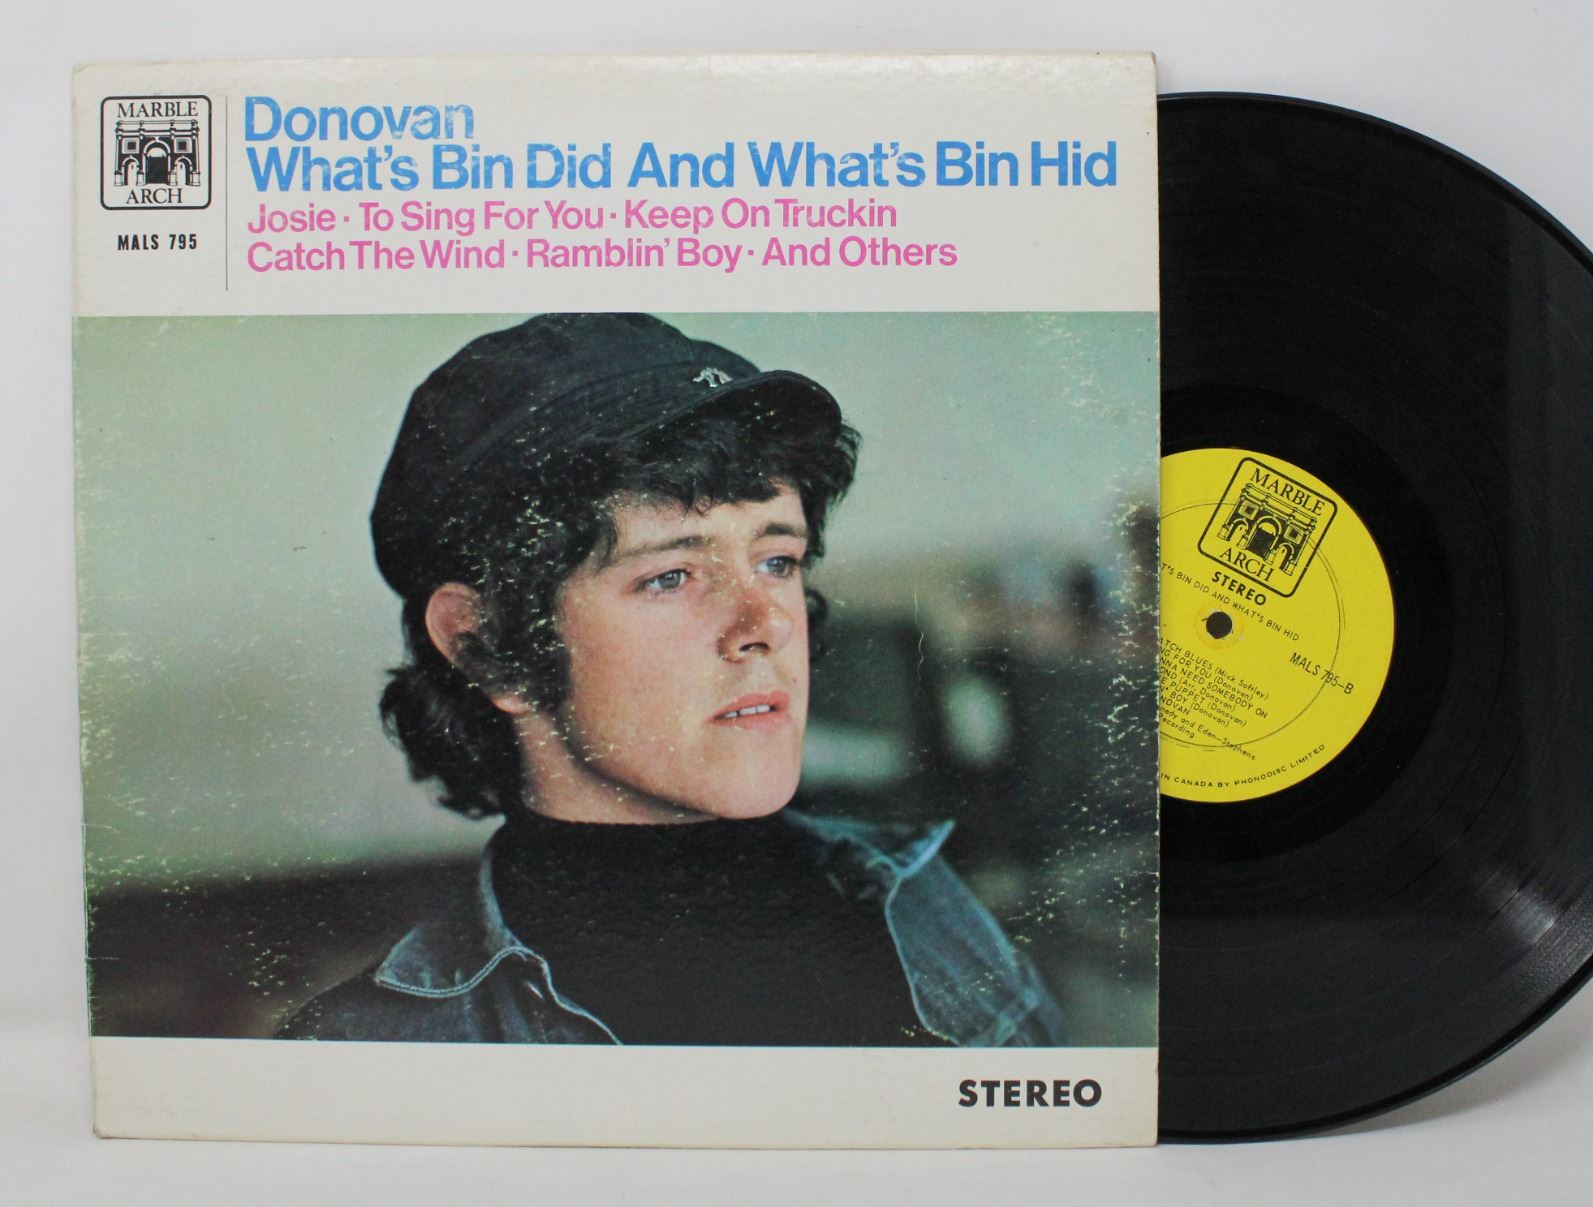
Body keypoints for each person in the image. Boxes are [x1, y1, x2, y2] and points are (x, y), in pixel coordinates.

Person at [278, 313, 1064, 1047]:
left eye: (777, 559)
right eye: (670, 575)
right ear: (489, 647)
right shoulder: (364, 1053)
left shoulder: (925, 899)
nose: (766, 622)